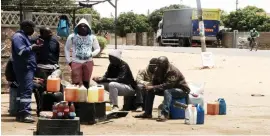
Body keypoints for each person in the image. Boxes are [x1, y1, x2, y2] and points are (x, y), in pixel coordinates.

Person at [135, 56, 190, 122]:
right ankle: (147, 113)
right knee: (151, 91)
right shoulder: (158, 69)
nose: (158, 67)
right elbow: (155, 82)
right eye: (157, 64)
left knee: (167, 91)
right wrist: (149, 87)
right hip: (168, 89)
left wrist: (153, 87)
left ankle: (164, 114)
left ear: (165, 64)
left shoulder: (172, 71)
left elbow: (168, 85)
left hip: (182, 90)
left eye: (160, 65)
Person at [11, 20, 42, 123]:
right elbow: (20, 51)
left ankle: (20, 113)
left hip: (27, 67)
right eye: (33, 28)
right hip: (24, 67)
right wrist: (32, 47)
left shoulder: (24, 36)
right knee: (27, 90)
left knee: (22, 90)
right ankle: (25, 113)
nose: (33, 31)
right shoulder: (18, 37)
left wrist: (34, 47)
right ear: (27, 27)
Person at [31, 27, 61, 114]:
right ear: (42, 34)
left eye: (51, 33)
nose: (50, 34)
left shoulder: (55, 41)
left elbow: (57, 54)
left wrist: (55, 64)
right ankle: (40, 108)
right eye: (48, 33)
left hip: (52, 68)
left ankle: (51, 107)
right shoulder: (36, 41)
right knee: (40, 89)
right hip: (40, 68)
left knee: (54, 89)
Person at [65, 18, 100, 89]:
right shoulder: (72, 37)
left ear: (88, 28)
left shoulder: (92, 37)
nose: (83, 27)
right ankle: (75, 99)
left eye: (85, 26)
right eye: (81, 26)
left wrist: (91, 54)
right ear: (77, 28)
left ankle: (85, 97)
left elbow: (97, 48)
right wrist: (69, 61)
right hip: (76, 62)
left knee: (86, 82)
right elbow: (67, 48)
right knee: (76, 83)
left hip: (88, 62)